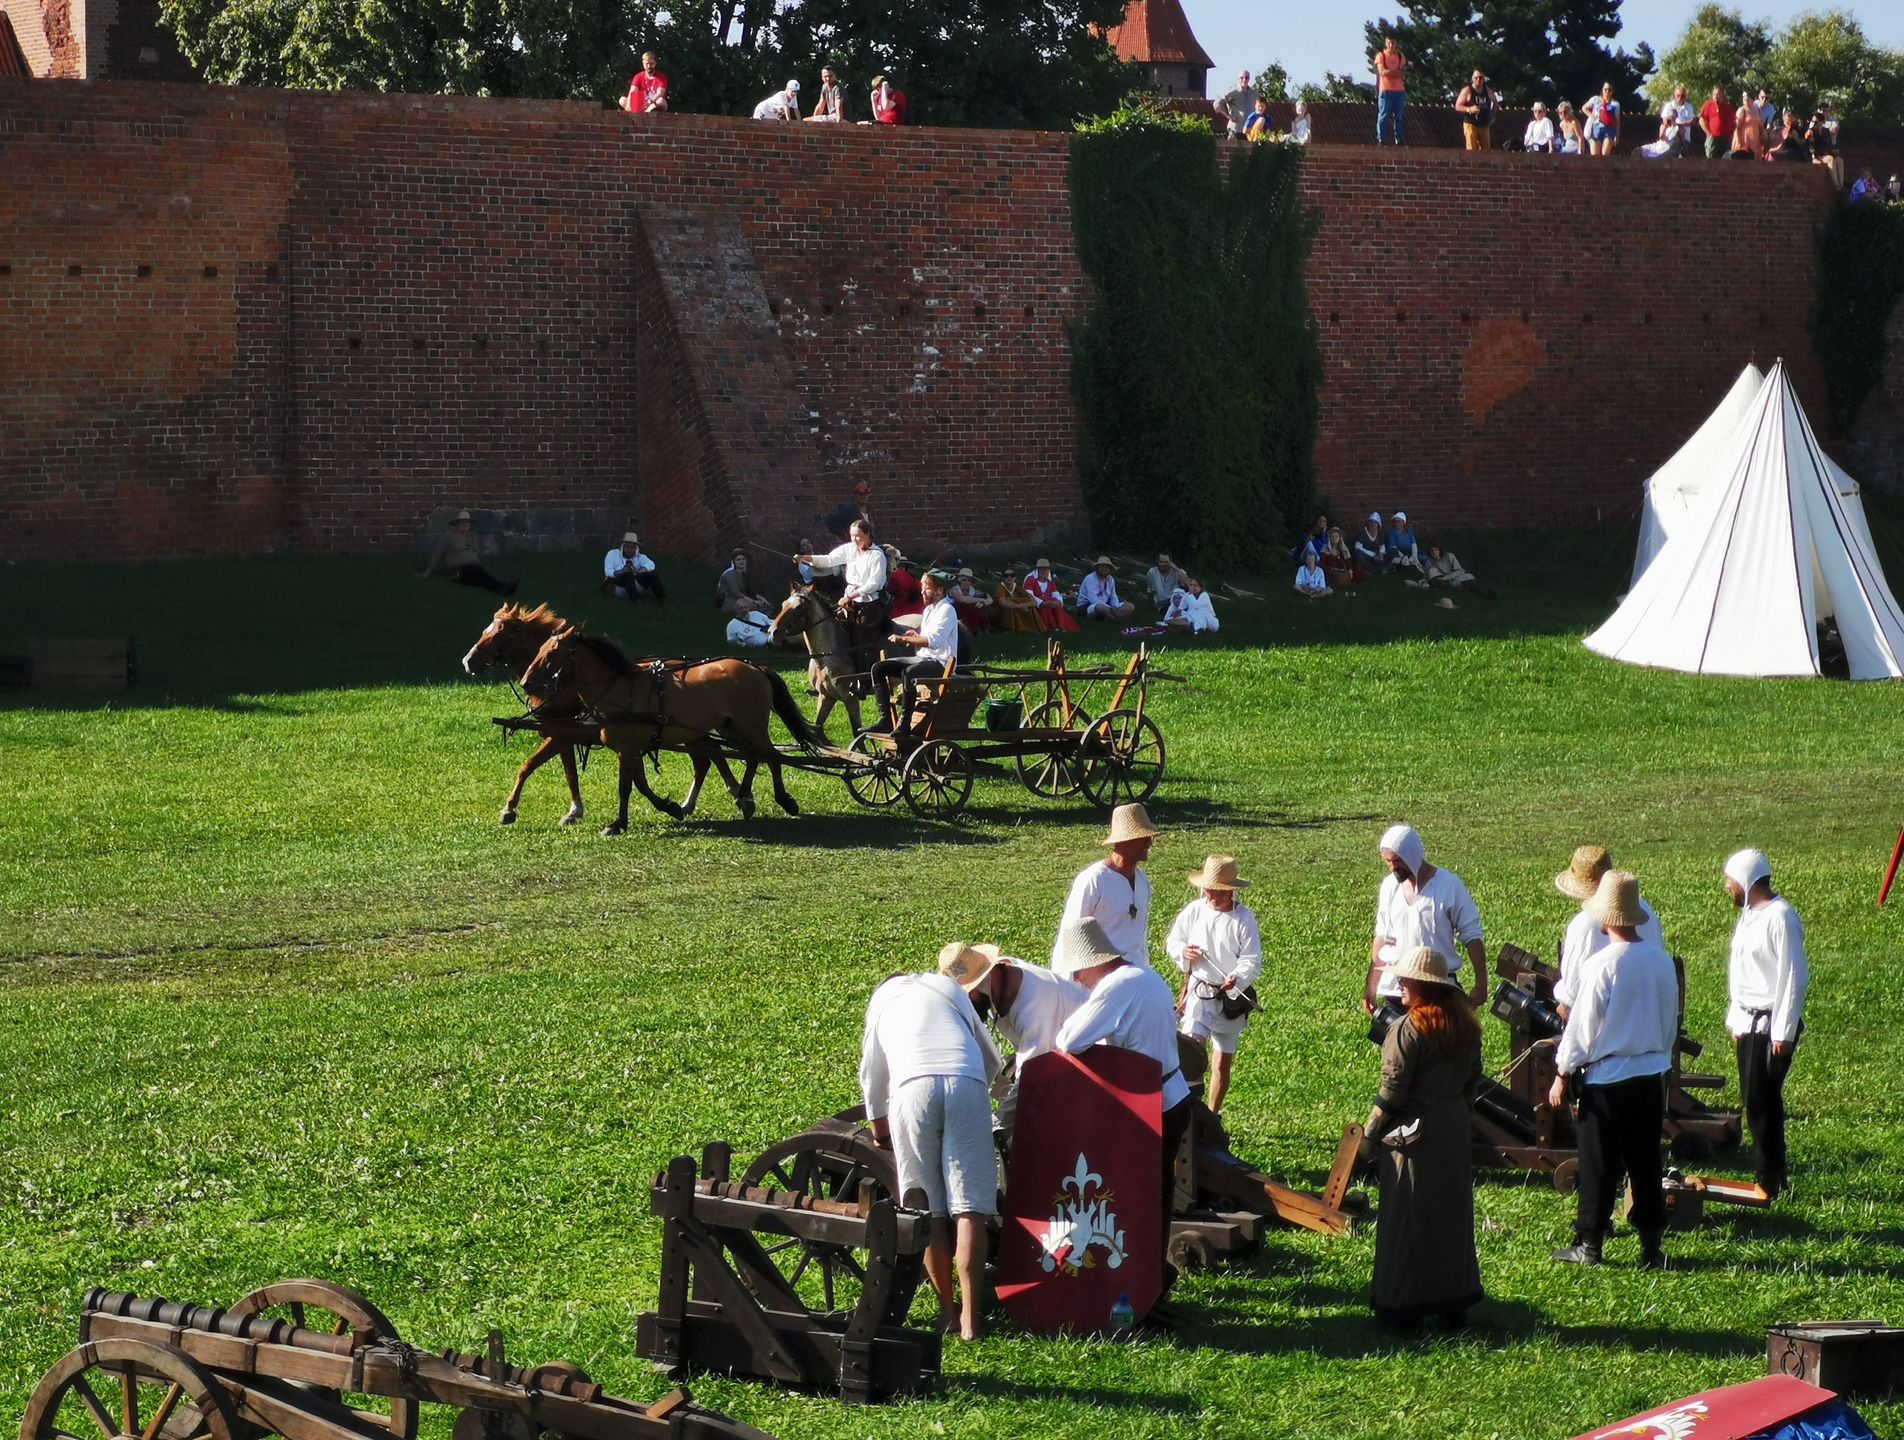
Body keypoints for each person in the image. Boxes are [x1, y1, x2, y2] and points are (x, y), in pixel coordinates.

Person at [859, 964, 1002, 1340]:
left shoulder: (882, 1000)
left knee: (928, 1209)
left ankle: (947, 1314)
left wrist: (879, 1131)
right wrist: (973, 1093)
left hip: (913, 1088)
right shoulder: (946, 986)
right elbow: (990, 1056)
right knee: (969, 1208)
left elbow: (872, 1074)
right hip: (966, 1081)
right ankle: (972, 1319)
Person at [1549, 870, 1678, 1269]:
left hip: (1606, 1081)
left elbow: (1582, 1028)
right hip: (1650, 1076)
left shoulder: (1601, 965)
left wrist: (1562, 1072)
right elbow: (1669, 1021)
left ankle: (1590, 1246)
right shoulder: (1661, 962)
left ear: (1606, 919)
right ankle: (1651, 1248)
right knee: (1645, 1161)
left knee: (1598, 1164)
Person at [1053, 916, 1194, 1267]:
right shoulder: (1147, 976)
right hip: (1172, 1096)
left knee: (1137, 1195)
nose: (1076, 979)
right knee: (1156, 1194)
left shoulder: (1116, 987)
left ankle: (1140, 1274)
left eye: (1078, 971)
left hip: (1151, 1106)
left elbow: (1069, 1040)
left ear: (1091, 962)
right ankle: (1151, 1271)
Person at [1359, 946, 1484, 1325]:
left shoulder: (1406, 1029)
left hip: (1413, 1137)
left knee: (1407, 1219)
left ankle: (1403, 1307)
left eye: (1406, 981)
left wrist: (1368, 1136)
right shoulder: (1465, 1027)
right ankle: (1452, 1302)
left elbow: (1392, 1093)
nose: (1400, 987)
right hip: (1454, 1127)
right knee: (1451, 1216)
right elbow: (1472, 1081)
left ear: (1422, 987)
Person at [938, 941, 1085, 1143]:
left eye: (966, 995)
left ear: (982, 981)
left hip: (1083, 1069)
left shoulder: (1034, 1011)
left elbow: (1032, 1077)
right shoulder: (999, 980)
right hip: (1046, 1056)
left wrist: (995, 1125)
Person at [1722, 848, 1807, 1199]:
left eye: (1731, 880)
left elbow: (1793, 976)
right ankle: (1775, 1175)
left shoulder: (1781, 916)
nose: (1727, 887)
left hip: (1770, 1025)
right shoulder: (1749, 916)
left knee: (1760, 1102)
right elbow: (1741, 972)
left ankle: (1767, 1179)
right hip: (1749, 1023)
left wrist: (1783, 1032)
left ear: (1746, 880)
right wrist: (1735, 1020)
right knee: (1756, 1101)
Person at [1168, 855, 1262, 1113]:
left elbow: (1252, 960)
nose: (1212, 894)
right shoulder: (1194, 911)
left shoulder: (1243, 919)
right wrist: (1183, 953)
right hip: (1200, 994)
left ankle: (1211, 1116)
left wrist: (1237, 978)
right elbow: (1174, 941)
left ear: (1231, 891)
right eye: (1209, 888)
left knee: (1221, 1063)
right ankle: (1188, 1112)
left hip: (1230, 999)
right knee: (1190, 1052)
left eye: (1219, 890)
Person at [1368, 824, 1487, 1013]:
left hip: (1438, 988)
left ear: (1412, 855)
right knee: (1396, 1042)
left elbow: (1472, 935)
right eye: (1388, 862)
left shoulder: (1449, 885)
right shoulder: (1389, 887)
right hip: (1397, 990)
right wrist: (1371, 986)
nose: (1392, 867)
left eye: (1397, 860)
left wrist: (1481, 985)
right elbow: (1382, 937)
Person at [1552, 845, 1664, 1017]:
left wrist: (1560, 997)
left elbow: (1572, 995)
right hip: (1650, 1011)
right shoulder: (1645, 911)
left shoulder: (1583, 924)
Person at [1052, 802, 1159, 970]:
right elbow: (1071, 933)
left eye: (1149, 838)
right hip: (1099, 978)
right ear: (1123, 841)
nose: (1149, 845)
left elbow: (1140, 938)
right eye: (1143, 838)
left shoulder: (1142, 881)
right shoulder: (1094, 879)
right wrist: (1066, 986)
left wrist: (1146, 972)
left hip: (1134, 976)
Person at [871, 569, 957, 743]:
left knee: (909, 673)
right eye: (923, 586)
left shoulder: (947, 610)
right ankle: (885, 719)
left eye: (927, 587)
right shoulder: (929, 611)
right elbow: (927, 636)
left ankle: (905, 724)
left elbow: (935, 641)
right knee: (879, 668)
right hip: (924, 658)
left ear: (939, 591)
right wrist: (915, 635)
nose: (922, 591)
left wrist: (905, 638)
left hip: (940, 663)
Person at [797, 519, 890, 667]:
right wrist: (804, 558)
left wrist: (849, 597)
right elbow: (828, 560)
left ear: (868, 534)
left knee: (860, 638)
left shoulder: (877, 556)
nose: (854, 539)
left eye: (858, 535)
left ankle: (865, 675)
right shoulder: (850, 549)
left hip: (870, 603)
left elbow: (873, 584)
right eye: (852, 536)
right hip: (850, 599)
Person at [420, 510, 517, 595]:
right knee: (481, 575)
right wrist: (428, 571)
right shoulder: (449, 536)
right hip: (458, 570)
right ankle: (504, 587)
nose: (465, 524)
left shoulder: (473, 536)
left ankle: (503, 589)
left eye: (467, 522)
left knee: (482, 578)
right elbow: (438, 552)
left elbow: (477, 551)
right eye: (462, 522)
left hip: (474, 567)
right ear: (457, 524)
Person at [602, 531, 665, 604]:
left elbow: (651, 564)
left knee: (652, 574)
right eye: (627, 547)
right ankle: (638, 602)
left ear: (636, 548)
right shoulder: (612, 554)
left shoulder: (640, 557)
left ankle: (663, 599)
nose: (629, 550)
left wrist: (639, 571)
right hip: (618, 585)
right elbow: (607, 571)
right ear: (623, 546)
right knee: (627, 574)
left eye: (632, 548)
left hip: (634, 585)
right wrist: (621, 571)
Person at [1022, 558, 1079, 633]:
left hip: (1049, 604)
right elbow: (1028, 595)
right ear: (1037, 570)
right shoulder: (1031, 579)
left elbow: (1055, 593)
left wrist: (1059, 602)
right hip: (1035, 605)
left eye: (1046, 569)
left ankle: (1060, 626)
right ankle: (1049, 626)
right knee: (1046, 607)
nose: (1044, 571)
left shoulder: (1050, 582)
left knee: (1056, 607)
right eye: (1041, 569)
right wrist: (1042, 602)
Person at [1076, 556, 1135, 622]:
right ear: (1098, 568)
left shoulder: (1110, 579)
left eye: (1107, 567)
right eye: (1102, 567)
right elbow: (1092, 599)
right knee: (1100, 608)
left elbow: (1113, 596)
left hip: (1106, 603)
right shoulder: (1090, 578)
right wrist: (1110, 608)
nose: (1105, 569)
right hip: (1087, 605)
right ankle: (1115, 619)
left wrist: (1114, 606)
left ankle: (1113, 615)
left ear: (1110, 569)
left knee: (1130, 606)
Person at [1373, 37, 1407, 145]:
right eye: (1389, 43)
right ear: (1386, 43)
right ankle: (1381, 138)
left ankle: (1399, 138)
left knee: (1399, 116)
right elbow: (1382, 72)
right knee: (1383, 115)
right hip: (1386, 90)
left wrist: (1390, 72)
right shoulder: (1381, 56)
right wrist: (1395, 72)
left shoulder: (1400, 57)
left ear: (1396, 43)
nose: (1391, 45)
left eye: (1393, 42)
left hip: (1399, 90)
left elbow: (1402, 73)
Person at [1455, 70, 1499, 151]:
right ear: (1472, 79)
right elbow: (1457, 106)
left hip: (1484, 125)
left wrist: (1492, 116)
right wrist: (1469, 109)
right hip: (1471, 124)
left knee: (1486, 150)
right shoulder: (1467, 90)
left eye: (1481, 78)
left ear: (1484, 79)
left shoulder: (1487, 90)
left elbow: (1495, 103)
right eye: (1476, 78)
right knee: (1472, 149)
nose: (1478, 80)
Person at [1217, 70, 1258, 141]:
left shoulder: (1253, 93)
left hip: (1249, 132)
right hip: (1235, 130)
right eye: (1242, 77)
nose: (1244, 80)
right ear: (1238, 79)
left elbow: (1260, 107)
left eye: (1247, 77)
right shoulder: (1233, 91)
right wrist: (1227, 115)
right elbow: (1217, 103)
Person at [948, 567, 993, 632]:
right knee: (965, 605)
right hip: (953, 613)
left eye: (969, 581)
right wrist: (981, 600)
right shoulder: (955, 590)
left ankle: (984, 628)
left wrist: (982, 602)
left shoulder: (972, 590)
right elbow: (962, 599)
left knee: (978, 605)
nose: (966, 582)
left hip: (969, 614)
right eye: (964, 580)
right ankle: (976, 629)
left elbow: (987, 596)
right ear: (959, 580)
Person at [1385, 511, 1426, 580]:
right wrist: (1404, 557)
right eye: (1395, 521)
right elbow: (1393, 548)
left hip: (1409, 554)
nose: (1396, 523)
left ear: (1404, 523)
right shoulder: (1391, 532)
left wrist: (1414, 557)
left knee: (1424, 559)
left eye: (1398, 522)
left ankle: (1425, 574)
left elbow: (1414, 544)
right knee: (1405, 563)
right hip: (1397, 555)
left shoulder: (1409, 531)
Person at [1809, 104, 1842, 188]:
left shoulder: (1831, 124)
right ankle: (1836, 184)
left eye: (1826, 110)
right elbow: (1811, 140)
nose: (1825, 112)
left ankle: (1840, 185)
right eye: (1822, 111)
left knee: (1839, 160)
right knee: (1830, 159)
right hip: (1819, 152)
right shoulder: (1813, 130)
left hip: (1829, 148)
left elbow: (1833, 131)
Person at [1584, 83, 1620, 156]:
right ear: (1602, 90)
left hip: (1609, 129)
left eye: (1609, 90)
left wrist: (1617, 136)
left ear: (1612, 92)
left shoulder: (1615, 104)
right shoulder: (1596, 99)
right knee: (1595, 155)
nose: (1607, 91)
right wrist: (1592, 116)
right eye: (1605, 89)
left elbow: (1617, 121)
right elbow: (1584, 108)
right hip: (1596, 128)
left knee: (1605, 154)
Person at [1699, 84, 1733, 159]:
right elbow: (1701, 120)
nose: (1715, 96)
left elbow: (1733, 122)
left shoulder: (1729, 107)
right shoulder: (1709, 105)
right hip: (1713, 138)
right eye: (1714, 94)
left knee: (1726, 158)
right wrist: (1708, 133)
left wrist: (1732, 134)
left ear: (1722, 95)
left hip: (1726, 138)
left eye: (1718, 94)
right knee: (1711, 159)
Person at [1661, 84, 1697, 156]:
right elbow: (1664, 120)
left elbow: (1693, 120)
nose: (1680, 97)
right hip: (1671, 137)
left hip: (1685, 137)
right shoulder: (1669, 106)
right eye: (1678, 95)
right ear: (1674, 95)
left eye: (1683, 96)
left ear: (1685, 97)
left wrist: (1682, 125)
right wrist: (1674, 126)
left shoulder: (1688, 107)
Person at [1731, 89, 1766, 160]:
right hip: (1744, 139)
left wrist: (1763, 134)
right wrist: (1738, 142)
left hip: (1755, 140)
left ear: (1753, 101)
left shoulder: (1757, 111)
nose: (1747, 102)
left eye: (1748, 100)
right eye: (1745, 100)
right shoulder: (1742, 110)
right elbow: (1737, 127)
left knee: (1755, 158)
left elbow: (1760, 125)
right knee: (1744, 157)